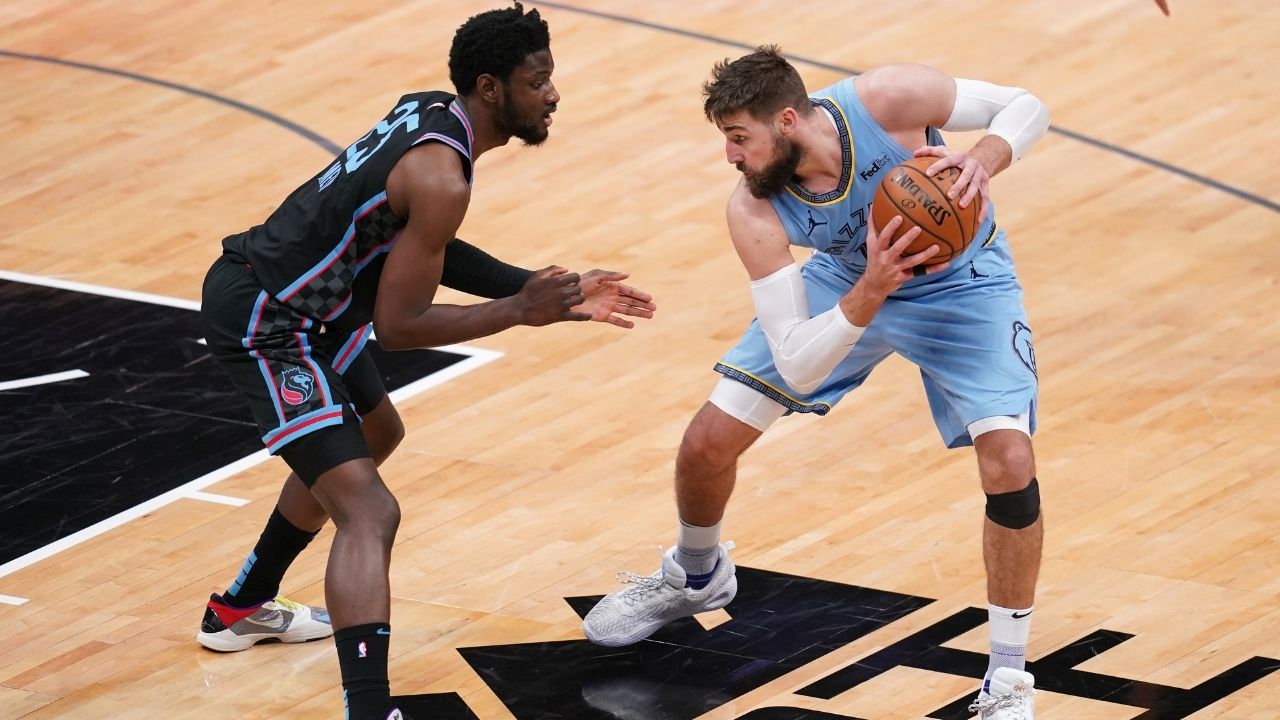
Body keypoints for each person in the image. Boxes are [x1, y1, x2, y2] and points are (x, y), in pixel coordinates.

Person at [196, 4, 655, 720]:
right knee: (370, 511)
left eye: (551, 77)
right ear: (491, 87)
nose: (553, 93)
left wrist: (541, 288)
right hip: (269, 317)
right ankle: (369, 709)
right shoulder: (442, 177)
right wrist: (521, 310)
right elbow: (402, 326)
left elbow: (425, 246)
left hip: (319, 303)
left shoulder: (431, 112)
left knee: (378, 436)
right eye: (538, 81)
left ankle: (241, 607)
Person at [582, 47, 1049, 719]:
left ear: (790, 122)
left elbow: (1025, 105)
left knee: (1009, 459)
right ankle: (696, 574)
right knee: (706, 443)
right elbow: (800, 362)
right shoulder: (753, 210)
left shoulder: (885, 101)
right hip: (852, 282)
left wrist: (985, 159)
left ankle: (1005, 682)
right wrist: (866, 294)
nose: (731, 157)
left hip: (963, 288)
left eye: (739, 138)